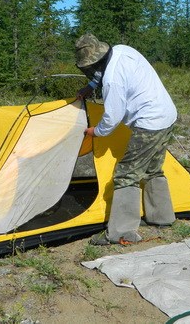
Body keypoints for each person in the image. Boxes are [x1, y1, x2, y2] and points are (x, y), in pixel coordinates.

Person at [75, 33, 177, 245]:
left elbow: (112, 117)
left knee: (126, 174)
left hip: (148, 124)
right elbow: (102, 74)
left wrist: (96, 132)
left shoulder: (112, 80)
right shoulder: (122, 50)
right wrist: (92, 87)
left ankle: (121, 232)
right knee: (153, 169)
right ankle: (162, 217)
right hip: (167, 116)